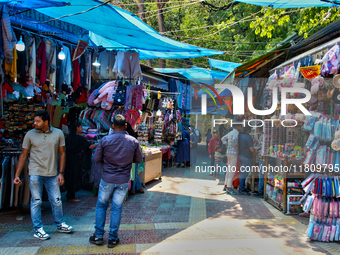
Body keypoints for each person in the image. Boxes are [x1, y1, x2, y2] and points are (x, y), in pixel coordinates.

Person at [13, 111, 73, 240]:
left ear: (46, 122)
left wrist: (61, 173)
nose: (34, 123)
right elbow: (23, 155)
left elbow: (62, 153)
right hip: (35, 172)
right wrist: (17, 174)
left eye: (37, 121)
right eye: (34, 121)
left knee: (57, 201)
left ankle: (60, 224)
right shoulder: (30, 135)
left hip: (52, 173)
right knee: (36, 201)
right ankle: (38, 229)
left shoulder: (58, 133)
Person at [89, 114, 143, 248]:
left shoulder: (105, 140)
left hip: (107, 178)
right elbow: (138, 160)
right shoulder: (133, 141)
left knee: (101, 206)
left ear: (112, 126)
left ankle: (98, 236)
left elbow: (96, 159)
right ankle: (113, 238)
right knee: (116, 209)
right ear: (125, 126)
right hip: (123, 180)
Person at [65, 121, 98, 202]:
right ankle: (71, 197)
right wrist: (100, 143)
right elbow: (90, 147)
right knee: (74, 176)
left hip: (67, 159)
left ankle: (69, 194)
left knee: (69, 176)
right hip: (76, 159)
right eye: (80, 127)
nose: (82, 128)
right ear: (77, 128)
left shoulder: (67, 138)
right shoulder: (80, 138)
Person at [222, 124, 242, 195]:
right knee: (232, 170)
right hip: (233, 153)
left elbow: (223, 139)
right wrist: (237, 147)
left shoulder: (230, 132)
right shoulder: (236, 132)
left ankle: (225, 185)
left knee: (228, 169)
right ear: (237, 126)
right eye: (240, 126)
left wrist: (228, 144)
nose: (240, 127)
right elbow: (234, 140)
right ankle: (229, 187)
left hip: (229, 153)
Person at [126, 122, 144, 194]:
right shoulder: (133, 138)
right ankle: (138, 188)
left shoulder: (127, 138)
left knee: (132, 173)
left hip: (130, 157)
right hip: (134, 158)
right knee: (134, 173)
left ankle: (133, 189)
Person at [238, 125, 255, 196]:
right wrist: (255, 152)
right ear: (249, 130)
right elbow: (251, 149)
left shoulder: (241, 135)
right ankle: (241, 189)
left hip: (241, 155)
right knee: (244, 173)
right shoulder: (248, 137)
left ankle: (242, 187)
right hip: (246, 156)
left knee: (243, 172)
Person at [253, 128, 265, 198]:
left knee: (261, 175)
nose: (257, 132)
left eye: (257, 131)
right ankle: (261, 190)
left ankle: (261, 191)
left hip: (262, 159)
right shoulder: (261, 137)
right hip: (262, 159)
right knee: (262, 174)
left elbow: (260, 147)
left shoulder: (261, 137)